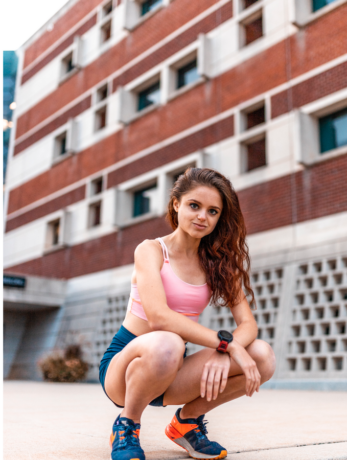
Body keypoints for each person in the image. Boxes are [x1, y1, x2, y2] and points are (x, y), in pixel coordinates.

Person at [99, 167, 276, 460]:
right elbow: (158, 317)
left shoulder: (219, 264)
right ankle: (127, 423)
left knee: (262, 356)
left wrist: (224, 353)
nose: (202, 217)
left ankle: (187, 423)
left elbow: (247, 324)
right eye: (194, 205)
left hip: (173, 369)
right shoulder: (151, 250)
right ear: (176, 204)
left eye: (212, 211)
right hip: (127, 367)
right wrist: (226, 344)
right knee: (168, 341)